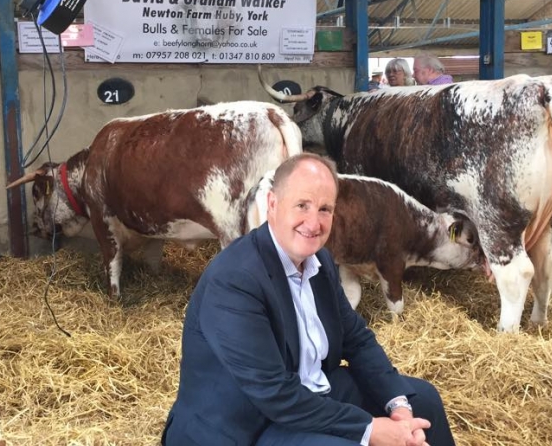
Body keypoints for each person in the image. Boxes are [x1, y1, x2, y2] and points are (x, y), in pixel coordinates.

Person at [162, 153, 456, 446]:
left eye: (325, 209)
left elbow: (356, 339)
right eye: (302, 205)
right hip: (244, 425)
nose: (314, 223)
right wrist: (370, 429)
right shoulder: (235, 280)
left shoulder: (321, 262)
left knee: (423, 401)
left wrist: (398, 408)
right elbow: (275, 393)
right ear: (273, 204)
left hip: (310, 397)